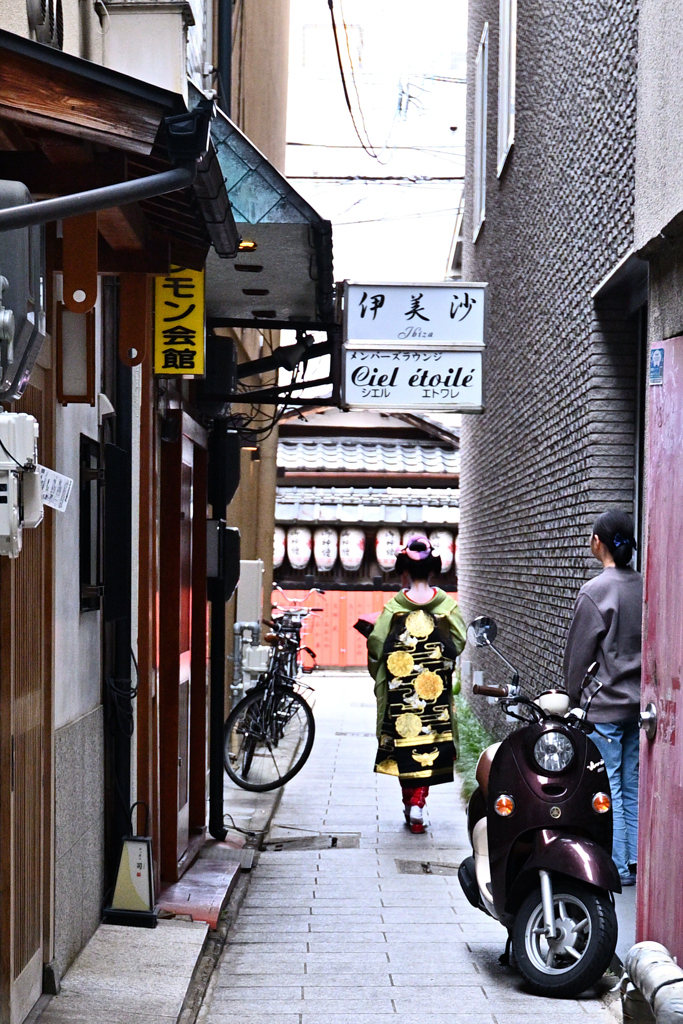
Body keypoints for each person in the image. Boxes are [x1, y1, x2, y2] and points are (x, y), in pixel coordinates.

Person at [563, 510, 642, 886]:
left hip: (607, 705)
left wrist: (572, 696)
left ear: (598, 542)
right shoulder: (646, 586)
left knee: (609, 785)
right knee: (632, 782)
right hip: (642, 707)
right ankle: (639, 861)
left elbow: (578, 656)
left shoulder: (595, 591)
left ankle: (618, 867)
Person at [367, 536, 466, 833]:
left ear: (404, 571)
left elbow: (376, 645)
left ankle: (411, 802)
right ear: (433, 570)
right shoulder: (446, 606)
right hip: (433, 690)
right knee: (429, 745)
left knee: (405, 744)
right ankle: (418, 805)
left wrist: (382, 672)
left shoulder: (394, 608)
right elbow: (459, 641)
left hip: (401, 690)